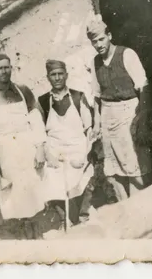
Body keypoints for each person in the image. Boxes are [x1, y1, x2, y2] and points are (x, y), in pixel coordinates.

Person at [0, 53, 47, 239]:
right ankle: (24, 235)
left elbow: (36, 119)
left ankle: (37, 233)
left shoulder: (23, 91)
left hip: (27, 146)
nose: (4, 72)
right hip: (5, 151)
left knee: (33, 189)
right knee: (14, 195)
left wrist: (40, 148)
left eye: (7, 67)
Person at [87, 18, 152, 201]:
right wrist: (96, 125)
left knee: (134, 167)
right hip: (108, 116)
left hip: (129, 112)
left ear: (109, 35)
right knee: (113, 170)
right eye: (94, 41)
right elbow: (97, 96)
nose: (99, 44)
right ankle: (126, 211)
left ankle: (139, 210)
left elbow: (143, 87)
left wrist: (141, 118)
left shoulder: (127, 54)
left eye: (101, 39)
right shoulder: (95, 63)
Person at [38, 59, 96, 226]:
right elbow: (40, 131)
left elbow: (89, 129)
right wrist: (48, 154)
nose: (57, 78)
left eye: (60, 74)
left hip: (77, 147)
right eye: (53, 75)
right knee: (53, 182)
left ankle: (83, 217)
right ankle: (65, 218)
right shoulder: (42, 101)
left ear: (66, 75)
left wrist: (86, 153)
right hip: (55, 150)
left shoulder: (78, 97)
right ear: (48, 77)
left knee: (84, 179)